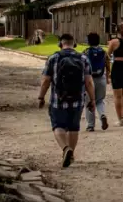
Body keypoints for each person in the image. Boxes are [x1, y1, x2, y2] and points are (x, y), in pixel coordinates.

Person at [38, 34, 96, 168]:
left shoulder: (53, 58)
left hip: (58, 99)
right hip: (77, 99)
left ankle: (65, 149)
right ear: (74, 44)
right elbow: (89, 81)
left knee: (58, 126)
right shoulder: (83, 58)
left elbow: (46, 80)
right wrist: (92, 99)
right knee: (73, 127)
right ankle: (72, 153)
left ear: (60, 44)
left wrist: (41, 97)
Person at [83, 32, 110, 132]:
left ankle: (90, 125)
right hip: (101, 78)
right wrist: (107, 77)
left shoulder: (85, 52)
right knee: (100, 100)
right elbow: (108, 64)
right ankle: (102, 115)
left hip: (89, 78)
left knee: (89, 101)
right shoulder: (103, 51)